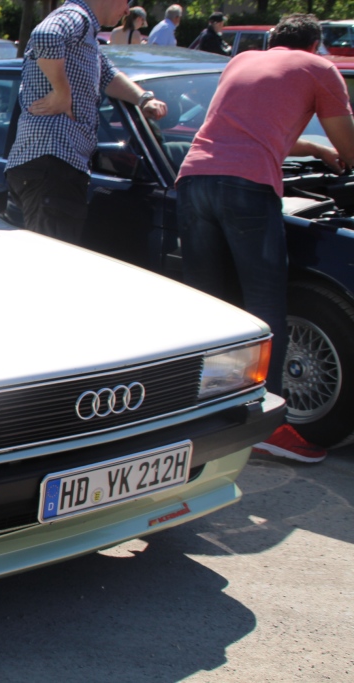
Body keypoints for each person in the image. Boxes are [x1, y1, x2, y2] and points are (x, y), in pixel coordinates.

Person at [176, 14, 354, 462]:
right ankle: (265, 425)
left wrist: (313, 148)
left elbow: (248, 129)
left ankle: (198, 413)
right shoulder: (319, 67)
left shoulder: (241, 62)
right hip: (247, 186)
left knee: (209, 305)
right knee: (264, 305)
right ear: (314, 44)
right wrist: (339, 154)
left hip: (194, 179)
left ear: (274, 40)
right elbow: (349, 145)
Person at [4, 0, 167, 245]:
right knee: (53, 259)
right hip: (54, 162)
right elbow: (45, 35)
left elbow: (107, 75)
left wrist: (143, 99)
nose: (127, 11)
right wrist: (62, 93)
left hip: (46, 165)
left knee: (43, 256)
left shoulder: (85, 34)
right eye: (126, 1)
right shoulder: (76, 15)